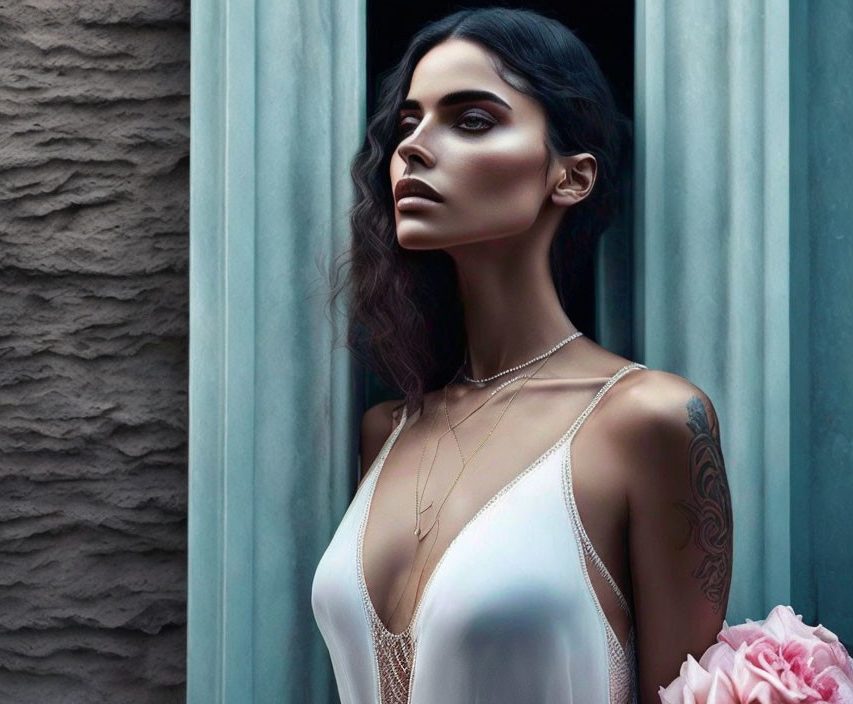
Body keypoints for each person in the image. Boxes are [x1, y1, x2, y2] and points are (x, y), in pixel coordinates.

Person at [312, 7, 733, 704]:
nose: (413, 147)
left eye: (471, 119)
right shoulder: (386, 431)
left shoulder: (650, 421)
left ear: (570, 177)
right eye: (408, 123)